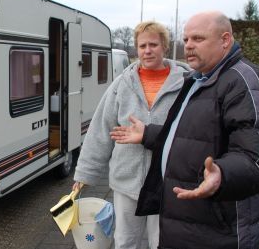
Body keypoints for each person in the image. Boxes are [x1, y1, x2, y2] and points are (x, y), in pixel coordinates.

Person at [111, 11, 259, 249]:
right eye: (186, 40)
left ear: (225, 40)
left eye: (198, 39)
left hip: (224, 231)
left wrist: (222, 175)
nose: (189, 46)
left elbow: (258, 157)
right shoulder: (197, 81)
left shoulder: (246, 84)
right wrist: (149, 134)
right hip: (192, 225)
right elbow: (189, 136)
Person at [73, 21, 190, 249]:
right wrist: (84, 173)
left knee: (161, 241)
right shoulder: (122, 84)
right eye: (142, 45)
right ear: (136, 49)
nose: (147, 50)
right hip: (126, 181)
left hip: (165, 182)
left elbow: (191, 132)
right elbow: (100, 130)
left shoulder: (186, 83)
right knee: (126, 241)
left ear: (164, 46)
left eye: (153, 44)